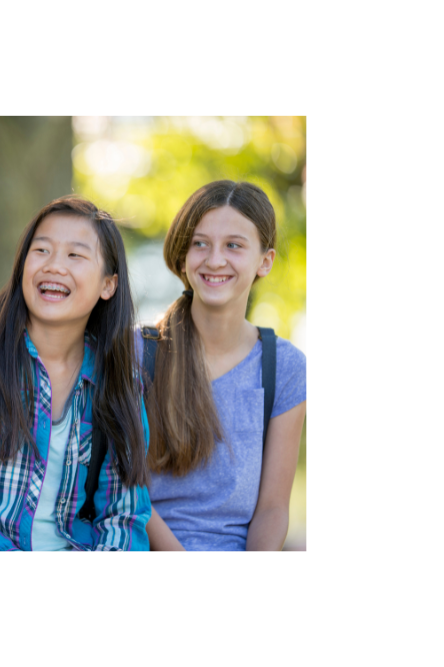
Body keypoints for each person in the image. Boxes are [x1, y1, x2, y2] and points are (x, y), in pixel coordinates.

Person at [0, 196, 152, 550]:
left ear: (109, 285)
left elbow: (123, 516)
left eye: (75, 255)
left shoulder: (120, 382)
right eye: (41, 250)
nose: (54, 266)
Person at [142, 180, 307, 551]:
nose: (215, 259)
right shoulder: (138, 354)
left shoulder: (285, 368)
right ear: (184, 256)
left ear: (265, 261)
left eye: (233, 245)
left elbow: (273, 510)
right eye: (200, 243)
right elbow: (127, 491)